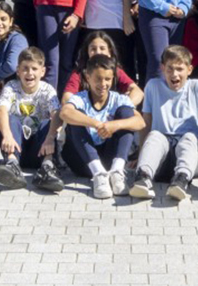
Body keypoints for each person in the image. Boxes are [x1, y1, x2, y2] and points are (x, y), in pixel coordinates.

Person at [129, 45, 198, 200]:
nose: (174, 74)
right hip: (163, 157)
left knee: (189, 138)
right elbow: (146, 123)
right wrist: (141, 155)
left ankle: (181, 180)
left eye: (179, 69)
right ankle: (143, 177)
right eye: (169, 69)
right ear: (163, 68)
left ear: (189, 70)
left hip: (192, 157)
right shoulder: (153, 86)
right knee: (155, 135)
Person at [59, 54, 145, 198]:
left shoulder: (118, 98)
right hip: (83, 161)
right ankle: (98, 174)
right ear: (88, 77)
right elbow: (65, 112)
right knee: (75, 117)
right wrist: (96, 124)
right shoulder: (80, 98)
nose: (103, 84)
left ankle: (117, 171)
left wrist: (114, 125)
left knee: (126, 113)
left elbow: (140, 122)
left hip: (108, 158)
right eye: (98, 79)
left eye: (107, 79)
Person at [0, 47, 65, 192]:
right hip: (15, 146)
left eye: (34, 68)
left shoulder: (47, 90)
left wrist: (51, 137)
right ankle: (12, 166)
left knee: (47, 122)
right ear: (18, 70)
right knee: (11, 118)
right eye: (25, 68)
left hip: (41, 148)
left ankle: (47, 168)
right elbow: (1, 111)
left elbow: (57, 114)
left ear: (42, 72)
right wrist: (7, 136)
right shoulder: (11, 87)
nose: (30, 73)